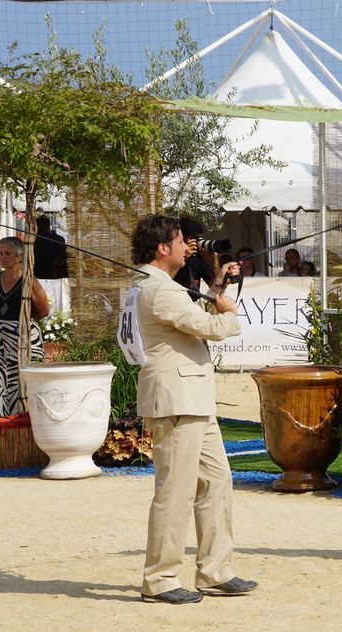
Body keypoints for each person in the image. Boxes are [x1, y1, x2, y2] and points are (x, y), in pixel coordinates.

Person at [130, 214, 257, 605]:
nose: (190, 247)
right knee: (176, 491)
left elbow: (194, 318)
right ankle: (160, 579)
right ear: (163, 248)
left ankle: (215, 571)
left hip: (192, 399)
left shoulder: (157, 286)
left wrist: (217, 289)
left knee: (217, 482)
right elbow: (211, 328)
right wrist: (231, 311)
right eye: (182, 241)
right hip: (175, 399)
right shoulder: (158, 290)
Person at [0, 236, 50, 416]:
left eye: (8, 253)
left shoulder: (30, 281)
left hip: (24, 335)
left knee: (24, 378)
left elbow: (43, 309)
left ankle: (27, 416)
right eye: (0, 253)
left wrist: (25, 326)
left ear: (20, 256)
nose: (3, 257)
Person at [32, 215, 68, 279]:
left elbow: (37, 262)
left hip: (43, 276)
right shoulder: (60, 239)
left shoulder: (40, 241)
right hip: (60, 275)